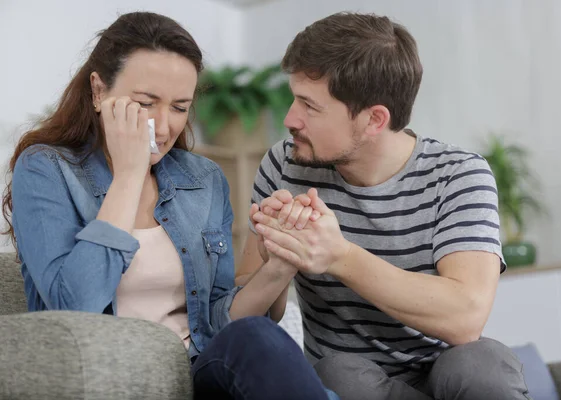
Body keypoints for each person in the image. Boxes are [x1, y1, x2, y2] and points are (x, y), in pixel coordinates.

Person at [4, 11, 338, 400]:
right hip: (112, 377)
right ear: (98, 91)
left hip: (199, 371)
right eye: (145, 103)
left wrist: (279, 266)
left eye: (180, 107)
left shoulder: (203, 179)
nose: (163, 127)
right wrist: (129, 175)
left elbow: (219, 322)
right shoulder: (46, 169)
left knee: (257, 337)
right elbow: (74, 306)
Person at [237, 12, 531, 400]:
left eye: (310, 106)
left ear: (374, 119)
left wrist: (337, 255)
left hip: (451, 379)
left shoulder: (458, 174)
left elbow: (465, 318)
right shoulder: (285, 165)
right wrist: (278, 259)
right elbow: (245, 320)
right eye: (295, 98)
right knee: (340, 374)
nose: (291, 118)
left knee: (480, 365)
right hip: (352, 384)